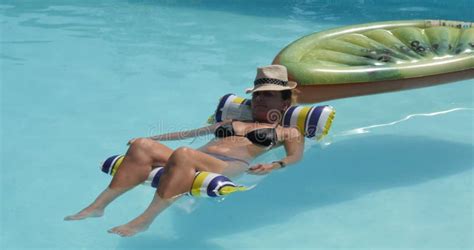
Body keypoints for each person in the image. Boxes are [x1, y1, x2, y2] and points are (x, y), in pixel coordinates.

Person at [64, 65, 305, 237]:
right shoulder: (230, 122)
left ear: (284, 103)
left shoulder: (287, 131)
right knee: (142, 147)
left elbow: (295, 156)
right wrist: (150, 138)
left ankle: (144, 220)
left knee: (183, 154)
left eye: (268, 96)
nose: (260, 101)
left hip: (228, 166)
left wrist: (275, 165)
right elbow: (186, 134)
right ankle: (98, 206)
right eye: (257, 96)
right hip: (196, 157)